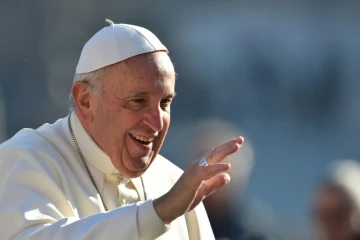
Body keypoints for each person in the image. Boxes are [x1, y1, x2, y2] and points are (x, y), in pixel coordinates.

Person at [0, 19, 244, 240]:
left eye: (165, 103)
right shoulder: (23, 160)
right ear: (85, 100)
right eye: (138, 101)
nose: (157, 123)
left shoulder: (175, 184)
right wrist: (158, 213)